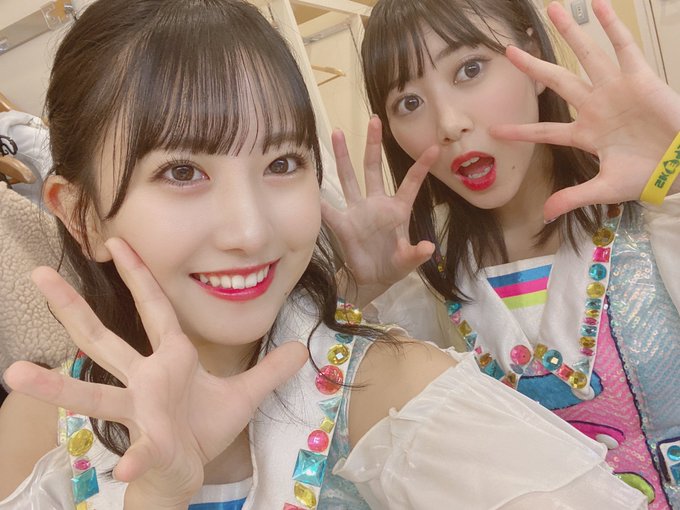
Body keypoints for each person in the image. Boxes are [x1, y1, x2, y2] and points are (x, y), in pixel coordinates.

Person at [0, 0, 653, 508]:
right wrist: (156, 495)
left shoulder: (389, 391)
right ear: (81, 214)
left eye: (282, 162)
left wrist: (670, 175)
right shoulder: (35, 428)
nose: (251, 230)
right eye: (182, 172)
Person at [322, 0, 680, 507]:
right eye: (409, 101)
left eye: (470, 69)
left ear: (532, 55)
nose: (449, 123)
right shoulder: (418, 278)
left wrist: (676, 173)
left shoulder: (657, 217)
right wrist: (359, 289)